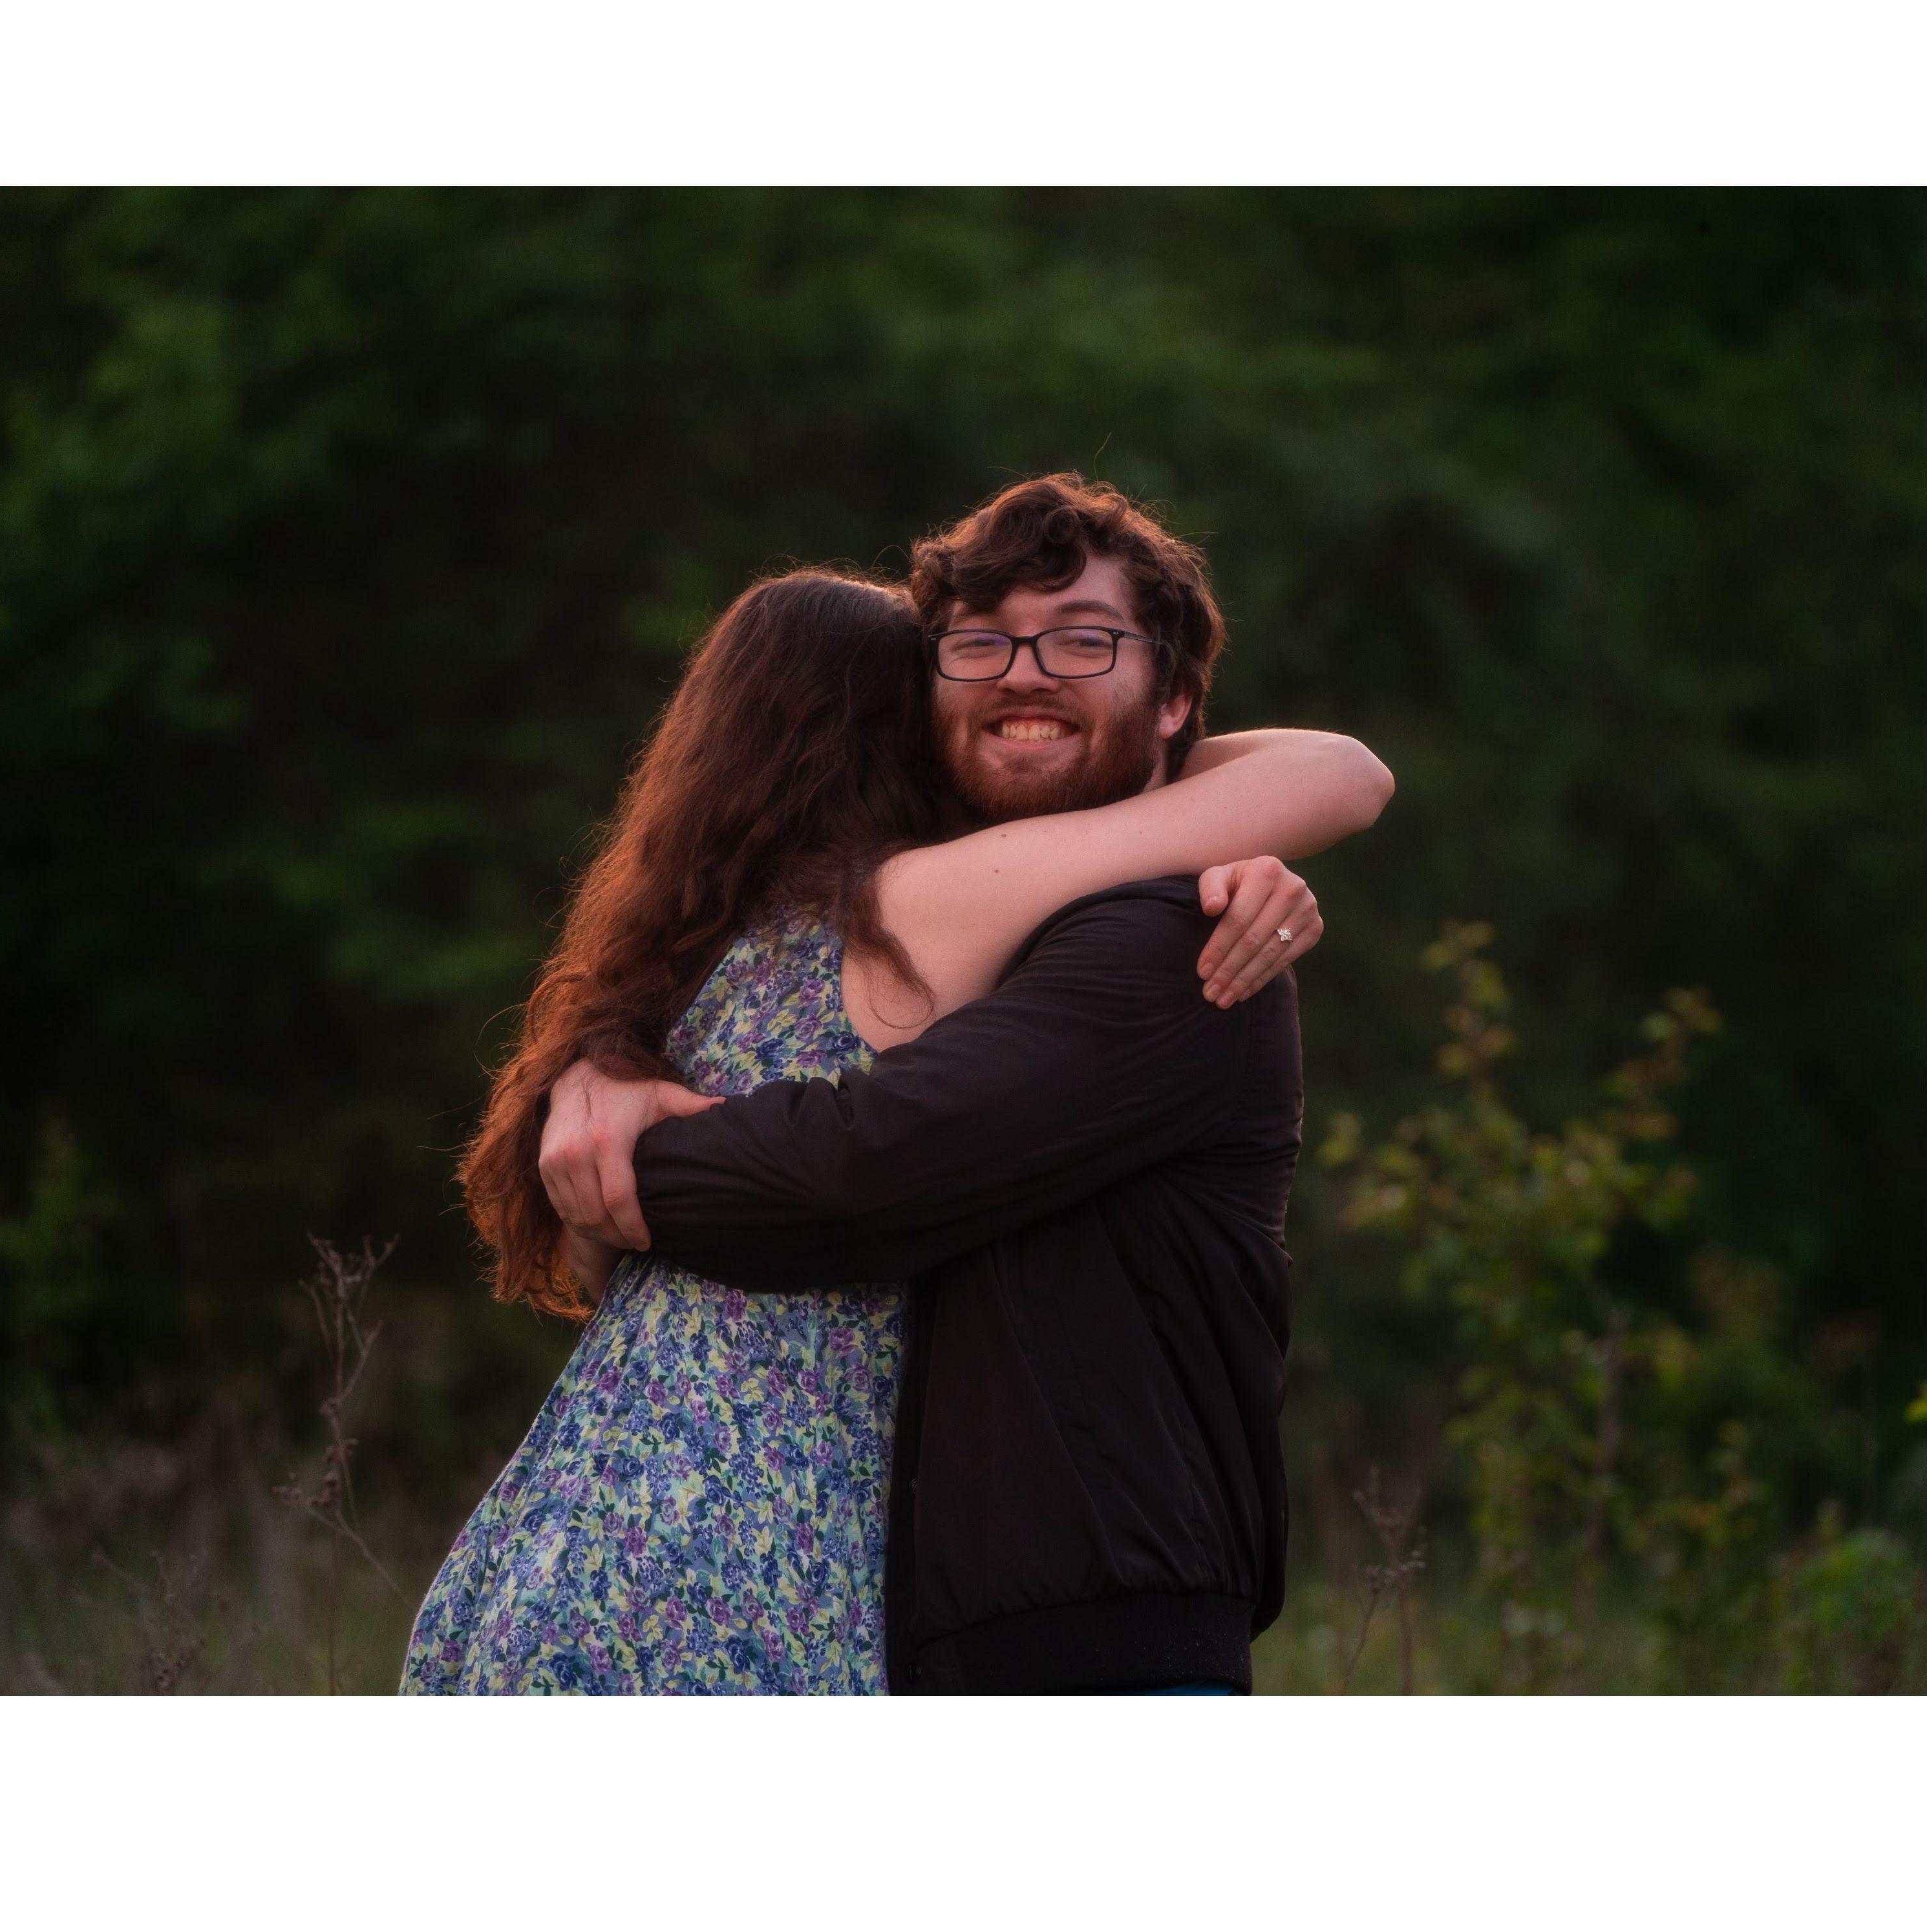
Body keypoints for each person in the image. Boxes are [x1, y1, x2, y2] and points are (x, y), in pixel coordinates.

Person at [405, 473, 1390, 1693]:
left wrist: (621, 1133)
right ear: (908, 719)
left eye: (1079, 643)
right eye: (971, 653)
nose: (1016, 679)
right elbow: (1340, 773)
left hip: (554, 1537)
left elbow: (607, 1255)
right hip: (750, 1564)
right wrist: (1215, 831)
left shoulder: (669, 976)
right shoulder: (936, 904)